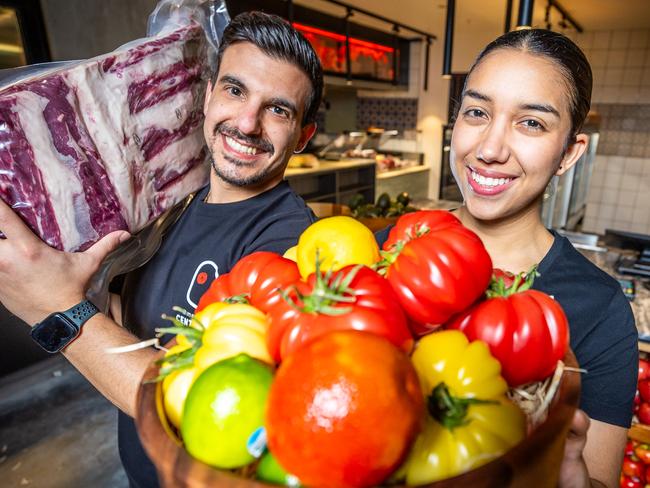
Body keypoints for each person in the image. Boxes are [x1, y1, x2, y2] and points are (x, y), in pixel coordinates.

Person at [0, 11, 323, 488]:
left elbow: (199, 403)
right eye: (235, 90)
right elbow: (138, 325)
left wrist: (58, 312)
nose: (248, 123)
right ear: (209, 94)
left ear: (303, 135)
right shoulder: (172, 203)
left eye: (278, 110)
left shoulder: (288, 245)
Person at [380, 29, 636, 487]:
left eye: (531, 123)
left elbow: (599, 478)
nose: (491, 149)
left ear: (568, 153)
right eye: (476, 112)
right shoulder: (385, 253)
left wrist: (571, 477)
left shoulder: (600, 310)